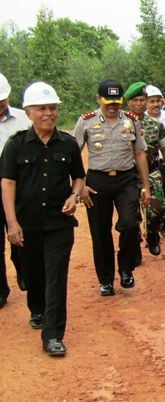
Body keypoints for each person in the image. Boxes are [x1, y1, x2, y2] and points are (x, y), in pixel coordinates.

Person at [1, 82, 85, 356]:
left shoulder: (69, 144)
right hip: (28, 223)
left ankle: (53, 335)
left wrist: (75, 196)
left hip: (60, 223)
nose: (48, 113)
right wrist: (12, 223)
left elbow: (79, 177)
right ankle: (36, 308)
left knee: (56, 277)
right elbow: (8, 184)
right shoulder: (15, 146)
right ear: (28, 112)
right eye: (42, 108)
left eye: (53, 108)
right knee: (34, 273)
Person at [74, 79, 151, 296]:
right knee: (100, 232)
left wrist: (146, 186)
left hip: (126, 180)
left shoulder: (131, 120)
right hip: (97, 181)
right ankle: (106, 279)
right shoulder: (86, 121)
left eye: (117, 102)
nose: (113, 107)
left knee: (129, 224)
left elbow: (139, 153)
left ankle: (126, 268)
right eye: (108, 102)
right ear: (98, 99)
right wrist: (80, 185)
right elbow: (73, 155)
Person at [124, 82, 165, 256]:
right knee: (132, 215)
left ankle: (152, 234)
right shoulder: (120, 124)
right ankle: (135, 243)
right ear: (128, 102)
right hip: (128, 175)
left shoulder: (155, 125)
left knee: (158, 209)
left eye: (141, 100)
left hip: (152, 172)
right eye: (135, 100)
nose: (138, 104)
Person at [0, 72, 30, 308]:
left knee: (22, 236)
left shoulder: (24, 120)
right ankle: (1, 289)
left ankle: (22, 268)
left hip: (20, 188)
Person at [145, 85, 165, 238]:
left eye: (158, 101)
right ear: (146, 103)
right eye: (152, 101)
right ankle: (150, 228)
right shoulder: (139, 120)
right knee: (152, 199)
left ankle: (163, 223)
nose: (156, 104)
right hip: (149, 166)